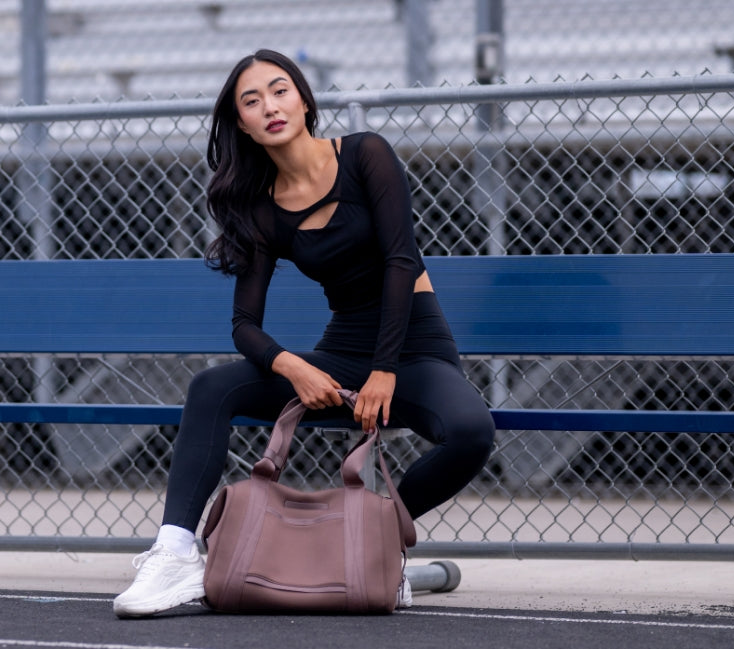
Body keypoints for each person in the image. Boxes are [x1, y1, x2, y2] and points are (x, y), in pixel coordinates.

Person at [111, 49, 497, 618]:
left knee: (471, 432)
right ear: (242, 123)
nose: (270, 107)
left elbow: (401, 261)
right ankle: (174, 555)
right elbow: (244, 326)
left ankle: (374, 542)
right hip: (343, 352)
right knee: (210, 389)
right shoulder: (260, 211)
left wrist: (384, 370)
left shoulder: (365, 154)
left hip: (413, 349)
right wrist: (294, 367)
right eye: (252, 101)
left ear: (304, 100)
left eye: (279, 90)